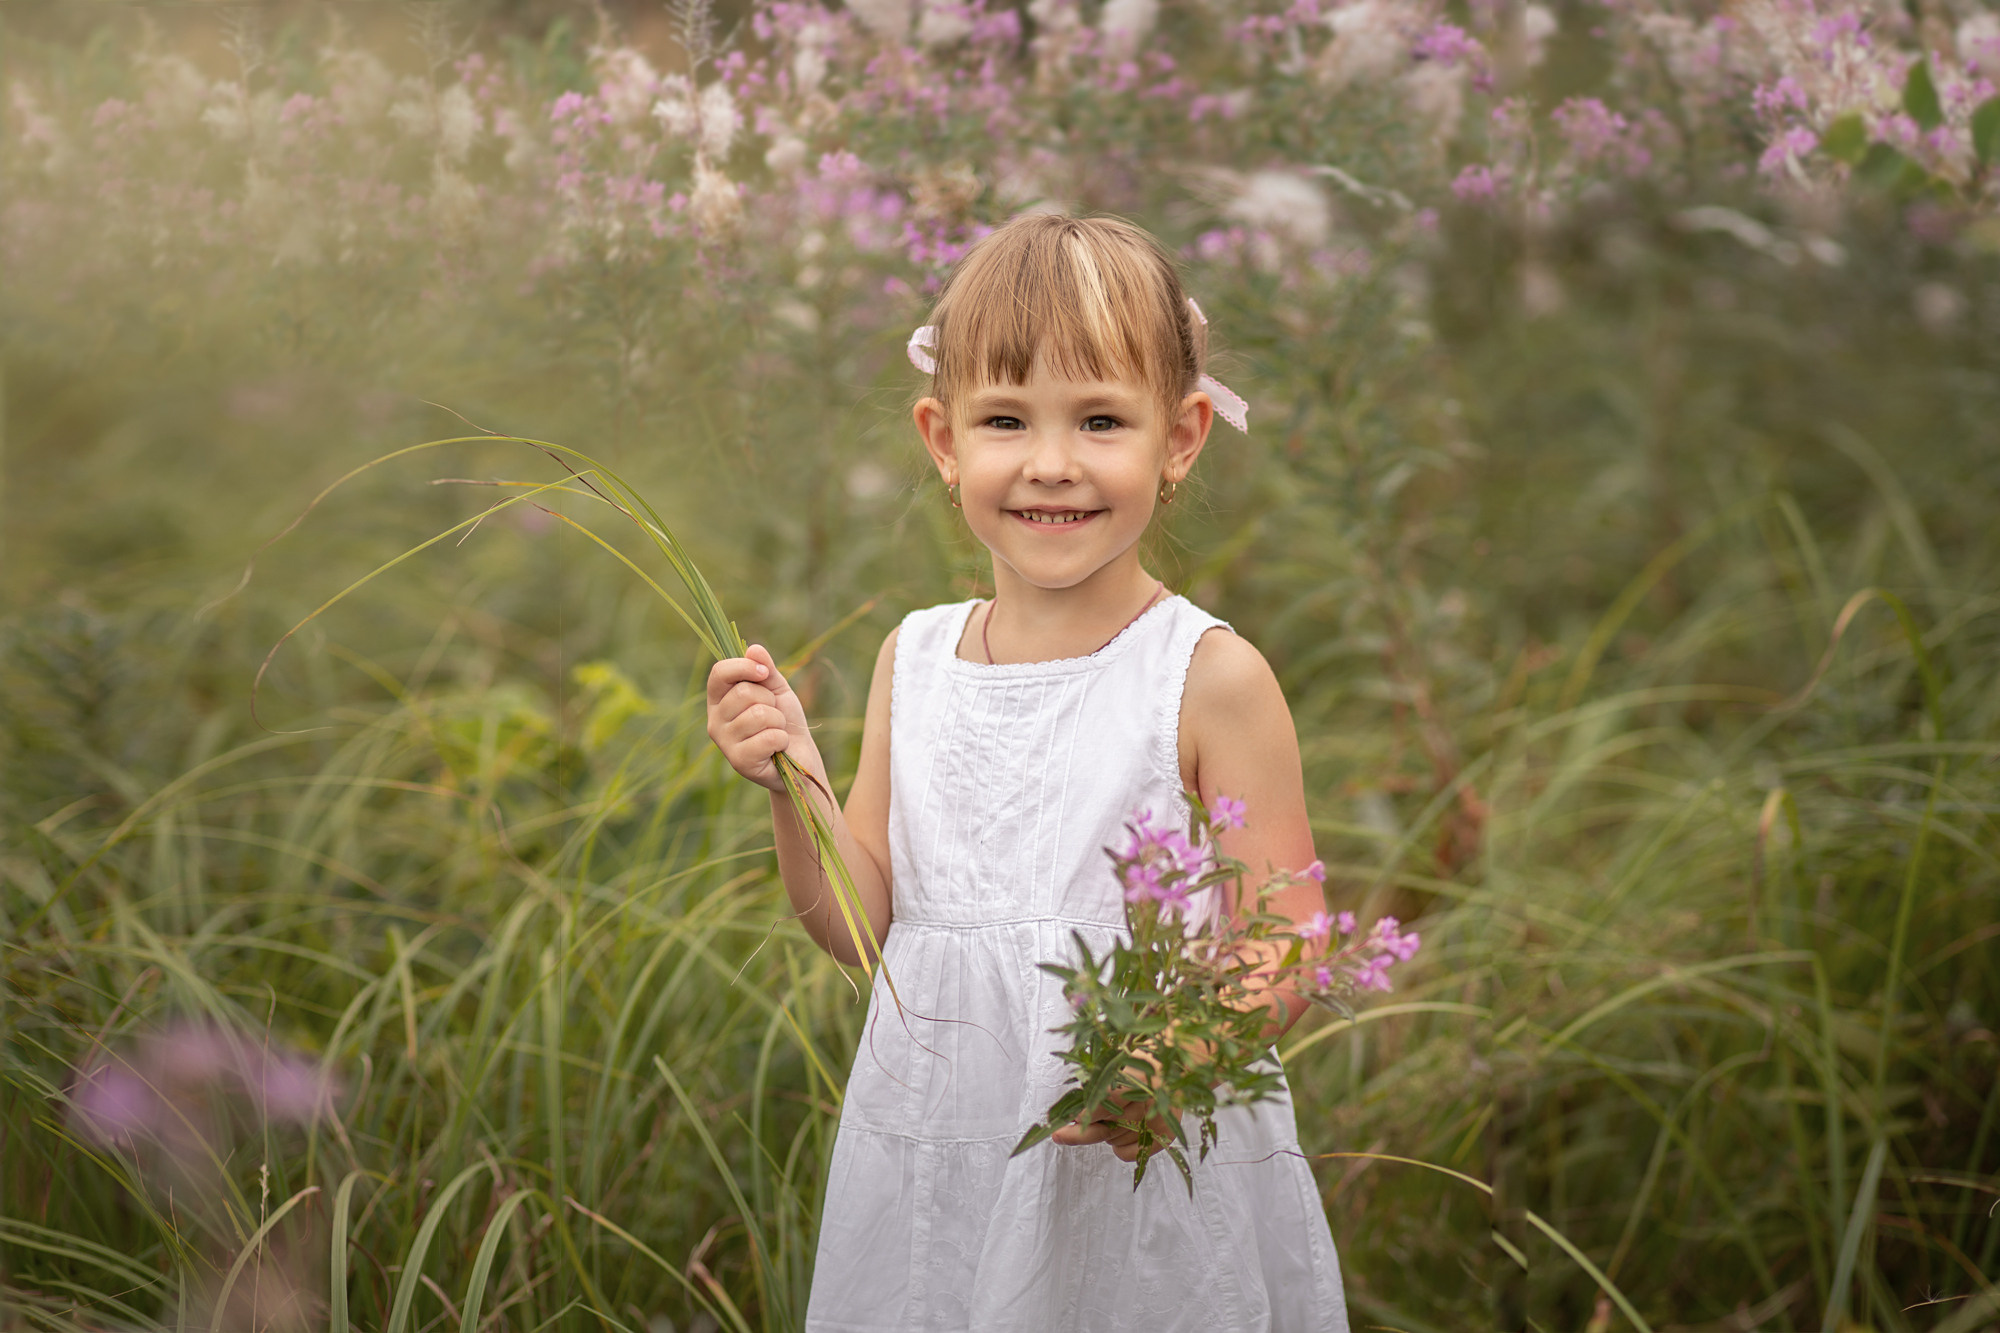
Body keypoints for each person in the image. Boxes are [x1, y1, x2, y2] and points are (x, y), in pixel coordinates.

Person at [705, 212, 1350, 1332]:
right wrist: (793, 785)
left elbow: (1285, 929)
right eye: (1005, 419)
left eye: (1100, 419)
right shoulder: (915, 657)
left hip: (1137, 1172)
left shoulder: (1205, 676)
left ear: (1181, 435)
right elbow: (865, 928)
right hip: (942, 1154)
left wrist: (1177, 1054)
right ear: (942, 438)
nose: (1050, 462)